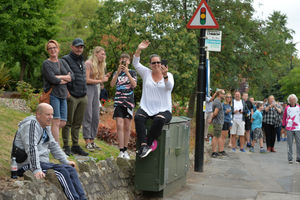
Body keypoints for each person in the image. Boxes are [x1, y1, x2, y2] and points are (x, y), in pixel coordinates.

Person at [12, 103, 87, 200]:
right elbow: (31, 148)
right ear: (38, 114)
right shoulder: (31, 125)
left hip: (42, 163)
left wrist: (66, 161)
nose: (51, 117)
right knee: (62, 172)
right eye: (48, 114)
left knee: (71, 170)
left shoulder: (45, 126)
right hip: (25, 165)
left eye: (52, 114)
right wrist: (36, 169)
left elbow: (53, 145)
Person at [133, 40, 174, 158]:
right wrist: (139, 49)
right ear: (150, 64)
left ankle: (148, 144)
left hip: (163, 109)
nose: (156, 65)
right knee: (138, 117)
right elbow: (135, 63)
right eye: (153, 63)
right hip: (146, 108)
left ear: (162, 64)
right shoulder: (146, 73)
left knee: (159, 120)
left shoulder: (169, 75)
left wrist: (165, 75)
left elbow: (169, 87)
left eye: (158, 62)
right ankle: (143, 144)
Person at [42, 40, 74, 143]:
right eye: (50, 48)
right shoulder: (46, 63)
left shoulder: (62, 62)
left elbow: (72, 76)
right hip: (53, 94)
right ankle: (56, 147)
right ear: (48, 51)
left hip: (63, 94)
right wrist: (64, 78)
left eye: (54, 47)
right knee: (56, 121)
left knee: (63, 122)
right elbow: (52, 79)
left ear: (58, 49)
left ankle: (46, 136)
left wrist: (60, 77)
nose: (52, 50)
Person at [61, 38, 88, 156]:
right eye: (77, 46)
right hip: (71, 95)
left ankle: (75, 146)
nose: (79, 49)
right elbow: (63, 76)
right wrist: (67, 92)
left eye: (81, 47)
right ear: (72, 47)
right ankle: (66, 146)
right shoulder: (65, 59)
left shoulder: (82, 60)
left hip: (83, 95)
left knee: (78, 123)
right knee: (68, 122)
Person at [82, 46, 111, 152]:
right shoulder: (88, 63)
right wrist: (100, 80)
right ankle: (87, 141)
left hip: (95, 89)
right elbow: (86, 80)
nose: (104, 56)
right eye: (102, 54)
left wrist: (103, 78)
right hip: (88, 89)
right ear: (96, 54)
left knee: (95, 116)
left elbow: (97, 80)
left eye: (104, 54)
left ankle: (92, 140)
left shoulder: (100, 65)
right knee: (88, 115)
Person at [110, 53, 137, 159]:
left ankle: (126, 149)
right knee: (119, 125)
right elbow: (112, 85)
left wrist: (127, 73)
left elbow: (134, 85)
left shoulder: (132, 72)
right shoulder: (117, 72)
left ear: (129, 62)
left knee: (127, 126)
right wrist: (118, 73)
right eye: (122, 59)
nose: (124, 61)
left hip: (129, 102)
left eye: (126, 60)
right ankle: (121, 150)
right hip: (118, 102)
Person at [282, 94, 300, 164]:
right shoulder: (287, 108)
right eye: (291, 99)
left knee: (299, 143)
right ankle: (290, 158)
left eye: (293, 99)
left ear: (295, 100)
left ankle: (298, 158)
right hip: (289, 127)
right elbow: (284, 117)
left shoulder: (299, 107)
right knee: (290, 143)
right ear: (289, 100)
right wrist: (283, 125)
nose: (292, 101)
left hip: (298, 127)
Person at [208, 89, 225, 158]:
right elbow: (215, 113)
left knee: (218, 136)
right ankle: (214, 152)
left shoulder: (217, 101)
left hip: (218, 121)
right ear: (219, 94)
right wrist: (211, 119)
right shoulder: (217, 102)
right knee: (215, 137)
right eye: (223, 94)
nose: (224, 95)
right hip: (218, 122)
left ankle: (219, 151)